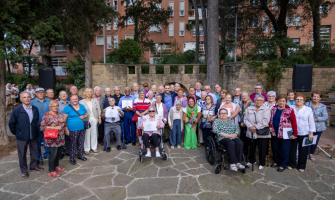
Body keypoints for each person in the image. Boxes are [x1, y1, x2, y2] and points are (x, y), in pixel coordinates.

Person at [9, 92, 43, 178]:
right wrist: (17, 133)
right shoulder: (16, 110)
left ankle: (33, 166)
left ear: (31, 98)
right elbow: (11, 124)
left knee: (34, 151)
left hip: (34, 135)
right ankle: (24, 170)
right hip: (22, 136)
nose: (27, 99)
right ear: (21, 99)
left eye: (28, 97)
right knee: (22, 153)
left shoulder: (35, 108)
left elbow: (36, 120)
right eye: (24, 97)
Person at [269, 94, 298, 172]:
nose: (281, 102)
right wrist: (270, 127)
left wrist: (295, 133)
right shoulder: (273, 109)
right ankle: (276, 161)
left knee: (284, 149)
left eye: (283, 101)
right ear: (277, 101)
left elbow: (294, 122)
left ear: (286, 102)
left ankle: (283, 164)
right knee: (275, 148)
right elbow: (270, 120)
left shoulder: (289, 110)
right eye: (280, 101)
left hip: (285, 133)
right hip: (274, 132)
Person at [288, 93, 316, 172]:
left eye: (301, 100)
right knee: (292, 149)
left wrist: (311, 132)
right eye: (297, 99)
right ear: (295, 100)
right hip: (293, 132)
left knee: (303, 150)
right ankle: (291, 164)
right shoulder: (290, 108)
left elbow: (311, 122)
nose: (299, 101)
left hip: (304, 132)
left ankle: (301, 165)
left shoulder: (308, 109)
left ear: (304, 101)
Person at [244, 95, 271, 170]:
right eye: (257, 100)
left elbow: (265, 120)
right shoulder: (249, 108)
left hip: (261, 131)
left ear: (263, 101)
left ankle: (262, 163)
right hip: (251, 131)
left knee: (262, 148)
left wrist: (255, 127)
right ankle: (252, 160)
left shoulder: (266, 109)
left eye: (260, 100)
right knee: (252, 146)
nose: (258, 101)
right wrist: (250, 126)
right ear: (254, 101)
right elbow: (245, 119)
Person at [40, 101, 66, 177]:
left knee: (59, 153)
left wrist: (63, 121)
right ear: (50, 107)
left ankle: (56, 166)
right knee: (53, 155)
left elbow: (63, 124)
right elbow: (42, 126)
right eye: (53, 106)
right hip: (52, 139)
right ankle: (51, 171)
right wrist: (54, 127)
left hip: (60, 137)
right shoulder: (47, 115)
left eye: (57, 105)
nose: (55, 107)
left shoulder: (60, 114)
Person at [63, 95, 88, 165]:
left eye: (76, 99)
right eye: (73, 99)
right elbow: (64, 120)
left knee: (81, 142)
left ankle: (80, 155)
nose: (75, 100)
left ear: (78, 99)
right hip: (72, 129)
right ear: (70, 100)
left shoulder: (82, 106)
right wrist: (66, 129)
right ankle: (72, 158)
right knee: (73, 144)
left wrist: (84, 116)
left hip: (82, 128)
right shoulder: (67, 108)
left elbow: (87, 113)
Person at [305, 91, 328, 161]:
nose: (315, 98)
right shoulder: (307, 104)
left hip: (318, 126)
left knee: (315, 140)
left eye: (317, 97)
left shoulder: (323, 106)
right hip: (308, 126)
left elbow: (325, 117)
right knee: (307, 139)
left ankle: (311, 153)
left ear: (320, 98)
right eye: (314, 96)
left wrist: (316, 119)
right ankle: (306, 153)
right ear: (312, 97)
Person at [30, 88, 51, 161]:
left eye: (42, 92)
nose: (41, 94)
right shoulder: (32, 102)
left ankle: (47, 154)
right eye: (39, 92)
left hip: (48, 126)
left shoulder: (49, 101)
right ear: (35, 93)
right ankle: (37, 157)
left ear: (45, 93)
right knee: (37, 143)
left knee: (47, 141)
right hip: (37, 126)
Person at [79, 88, 101, 154]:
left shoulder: (95, 100)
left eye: (90, 92)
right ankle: (87, 148)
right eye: (87, 92)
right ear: (85, 93)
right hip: (86, 119)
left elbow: (98, 109)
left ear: (92, 93)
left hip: (94, 117)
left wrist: (99, 118)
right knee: (87, 133)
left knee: (94, 132)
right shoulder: (81, 101)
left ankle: (94, 147)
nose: (89, 93)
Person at [238, 91, 255, 164]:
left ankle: (251, 158)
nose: (244, 97)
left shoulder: (252, 104)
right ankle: (244, 155)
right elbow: (237, 112)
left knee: (250, 142)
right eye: (242, 96)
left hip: (250, 125)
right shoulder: (240, 104)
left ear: (248, 96)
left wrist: (245, 122)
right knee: (243, 140)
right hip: (241, 125)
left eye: (245, 96)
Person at [58, 91, 70, 159]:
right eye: (62, 94)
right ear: (59, 96)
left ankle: (68, 151)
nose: (64, 95)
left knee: (68, 137)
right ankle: (61, 152)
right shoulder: (57, 104)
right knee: (61, 138)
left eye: (65, 94)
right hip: (60, 123)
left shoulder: (70, 103)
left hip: (69, 123)